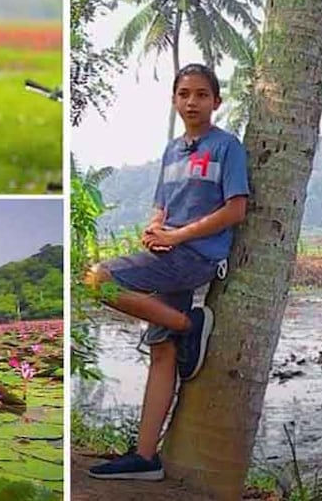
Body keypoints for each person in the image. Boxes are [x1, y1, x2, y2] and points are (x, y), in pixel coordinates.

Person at [85, 64, 249, 481]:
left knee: (98, 279)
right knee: (162, 353)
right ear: (174, 100)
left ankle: (188, 324)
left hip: (195, 257)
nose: (192, 102)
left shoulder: (227, 147)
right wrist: (154, 228)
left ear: (216, 101)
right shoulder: (172, 151)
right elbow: (162, 205)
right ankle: (146, 457)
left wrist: (176, 236)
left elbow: (235, 209)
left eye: (201, 94)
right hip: (169, 254)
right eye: (184, 94)